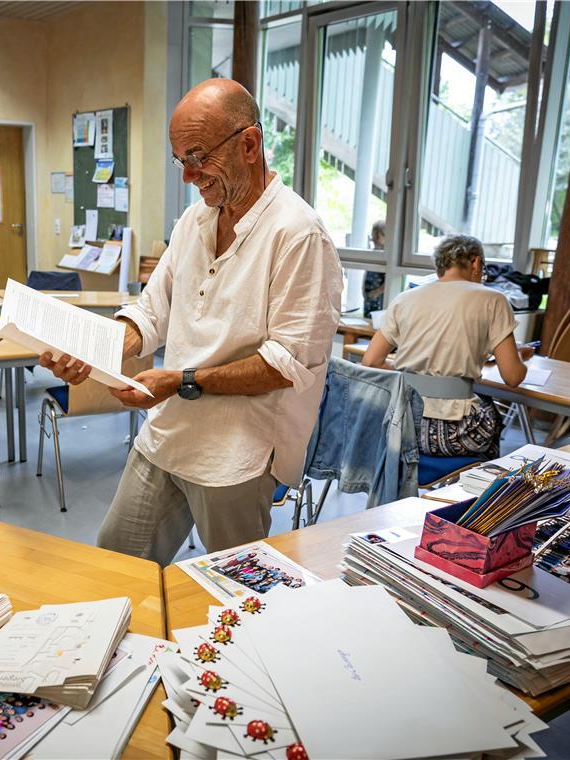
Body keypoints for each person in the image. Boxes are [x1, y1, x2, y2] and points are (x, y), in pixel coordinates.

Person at [40, 78, 342, 565]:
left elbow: (286, 364)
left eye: (198, 156)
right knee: (116, 564)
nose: (189, 175)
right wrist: (92, 347)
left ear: (249, 144)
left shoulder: (299, 234)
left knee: (237, 594)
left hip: (237, 454)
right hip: (168, 434)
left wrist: (180, 381)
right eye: (181, 159)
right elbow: (149, 312)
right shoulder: (194, 221)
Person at [362, 234, 532, 459]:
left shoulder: (405, 298)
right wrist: (521, 358)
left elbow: (371, 361)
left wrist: (414, 374)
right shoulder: (493, 300)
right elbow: (513, 377)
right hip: (454, 433)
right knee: (494, 422)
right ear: (475, 262)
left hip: (400, 428)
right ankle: (476, 491)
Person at [362, 220, 385, 318]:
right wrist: (363, 289)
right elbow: (367, 272)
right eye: (373, 236)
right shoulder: (374, 253)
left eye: (377, 237)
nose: (374, 239)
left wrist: (377, 292)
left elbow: (388, 281)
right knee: (367, 316)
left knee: (377, 319)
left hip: (379, 297)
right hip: (369, 294)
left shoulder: (386, 255)